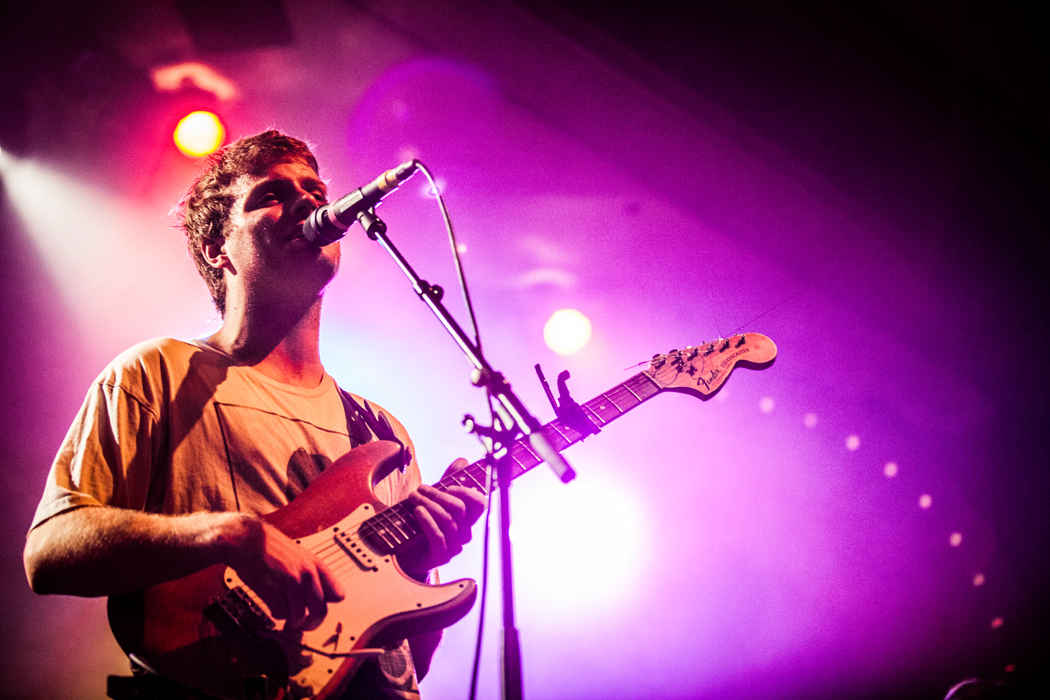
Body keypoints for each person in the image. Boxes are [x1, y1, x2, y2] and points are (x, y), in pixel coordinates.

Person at [22, 130, 486, 699]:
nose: (309, 201)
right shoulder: (157, 373)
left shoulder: (382, 432)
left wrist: (417, 562)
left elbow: (407, 663)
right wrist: (228, 534)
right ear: (219, 247)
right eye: (272, 193)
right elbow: (49, 552)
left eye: (315, 188)